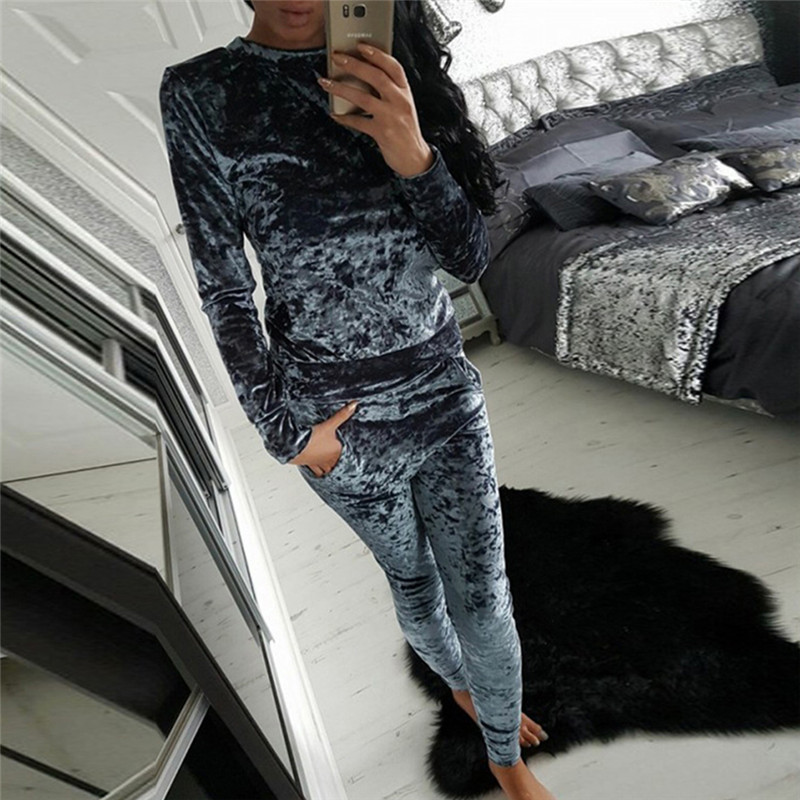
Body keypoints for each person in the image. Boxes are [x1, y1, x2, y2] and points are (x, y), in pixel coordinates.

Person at [159, 2, 558, 797]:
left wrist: (412, 150)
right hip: (335, 424)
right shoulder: (201, 91)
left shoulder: (393, 62)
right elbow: (224, 286)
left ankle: (503, 758)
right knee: (412, 583)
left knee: (483, 600)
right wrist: (286, 434)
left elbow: (468, 257)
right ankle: (459, 686)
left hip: (443, 395)